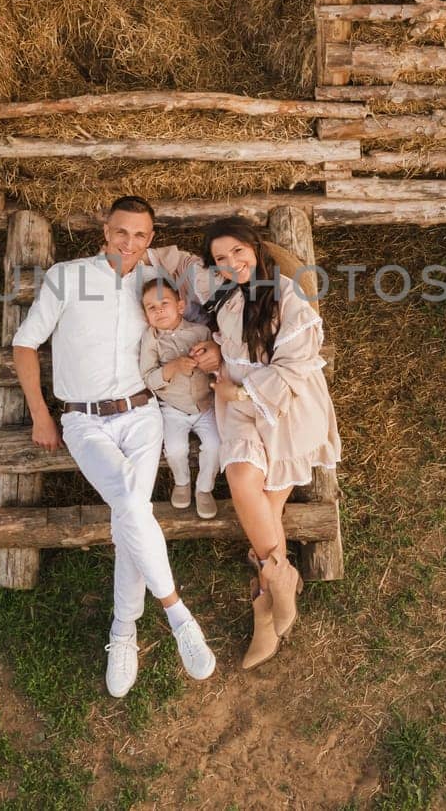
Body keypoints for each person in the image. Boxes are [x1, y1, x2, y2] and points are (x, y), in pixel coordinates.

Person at [9, 196, 216, 697]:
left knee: (129, 510)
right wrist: (40, 413)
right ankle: (177, 614)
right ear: (105, 229)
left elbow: (220, 288)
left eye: (141, 235)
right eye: (121, 232)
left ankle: (123, 633)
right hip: (85, 421)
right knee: (130, 506)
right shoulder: (68, 275)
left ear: (151, 237)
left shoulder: (156, 284)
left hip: (144, 413)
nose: (129, 243)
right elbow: (24, 343)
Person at [191, 216, 340, 670]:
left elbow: (296, 366)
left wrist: (240, 391)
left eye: (238, 251)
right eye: (220, 258)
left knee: (267, 509)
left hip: (284, 406)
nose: (231, 263)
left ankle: (265, 602)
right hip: (236, 408)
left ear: (255, 248)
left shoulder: (286, 294)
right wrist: (215, 358)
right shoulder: (220, 297)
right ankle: (283, 575)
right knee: (240, 477)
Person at [138, 277, 221, 519]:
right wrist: (173, 367)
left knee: (215, 445)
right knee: (175, 448)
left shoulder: (201, 332)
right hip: (172, 407)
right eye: (151, 307)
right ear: (145, 315)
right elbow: (148, 378)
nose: (159, 310)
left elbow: (217, 364)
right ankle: (182, 482)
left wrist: (206, 360)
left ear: (181, 306)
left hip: (206, 404)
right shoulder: (151, 340)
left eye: (164, 303)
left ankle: (205, 489)